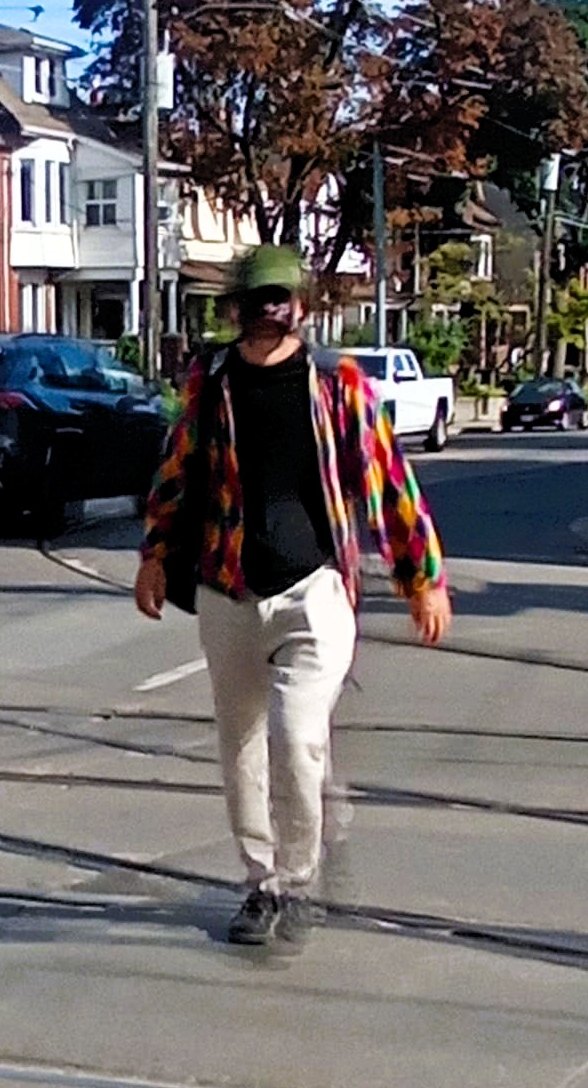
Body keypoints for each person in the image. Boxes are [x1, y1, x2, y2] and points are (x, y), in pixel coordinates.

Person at [135, 245, 451, 949]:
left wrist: (421, 576)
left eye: (280, 302)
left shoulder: (337, 384)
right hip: (227, 590)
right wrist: (154, 555)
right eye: (257, 303)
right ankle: (260, 882)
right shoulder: (210, 381)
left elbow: (388, 478)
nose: (269, 316)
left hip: (314, 592)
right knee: (240, 745)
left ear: (301, 307)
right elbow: (175, 468)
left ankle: (298, 878)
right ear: (236, 310)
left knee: (296, 735)